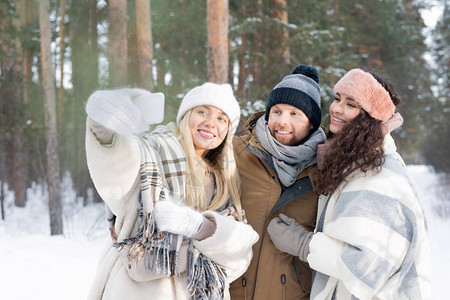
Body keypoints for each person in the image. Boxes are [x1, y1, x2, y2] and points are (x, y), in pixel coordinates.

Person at [85, 82, 259, 300]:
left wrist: (201, 227)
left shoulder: (225, 183)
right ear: (186, 115)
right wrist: (102, 125)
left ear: (228, 131)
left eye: (221, 118)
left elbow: (240, 256)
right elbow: (119, 168)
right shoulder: (152, 152)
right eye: (202, 111)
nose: (210, 123)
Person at [268, 68, 431, 299]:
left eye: (351, 104)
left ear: (370, 117)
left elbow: (368, 266)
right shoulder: (356, 164)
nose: (336, 108)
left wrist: (303, 244)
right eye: (338, 98)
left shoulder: (381, 177)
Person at [229, 65, 327, 299]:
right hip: (232, 290)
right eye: (277, 111)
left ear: (312, 122)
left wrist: (304, 244)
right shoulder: (236, 153)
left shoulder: (326, 171)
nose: (283, 122)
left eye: (295, 114)